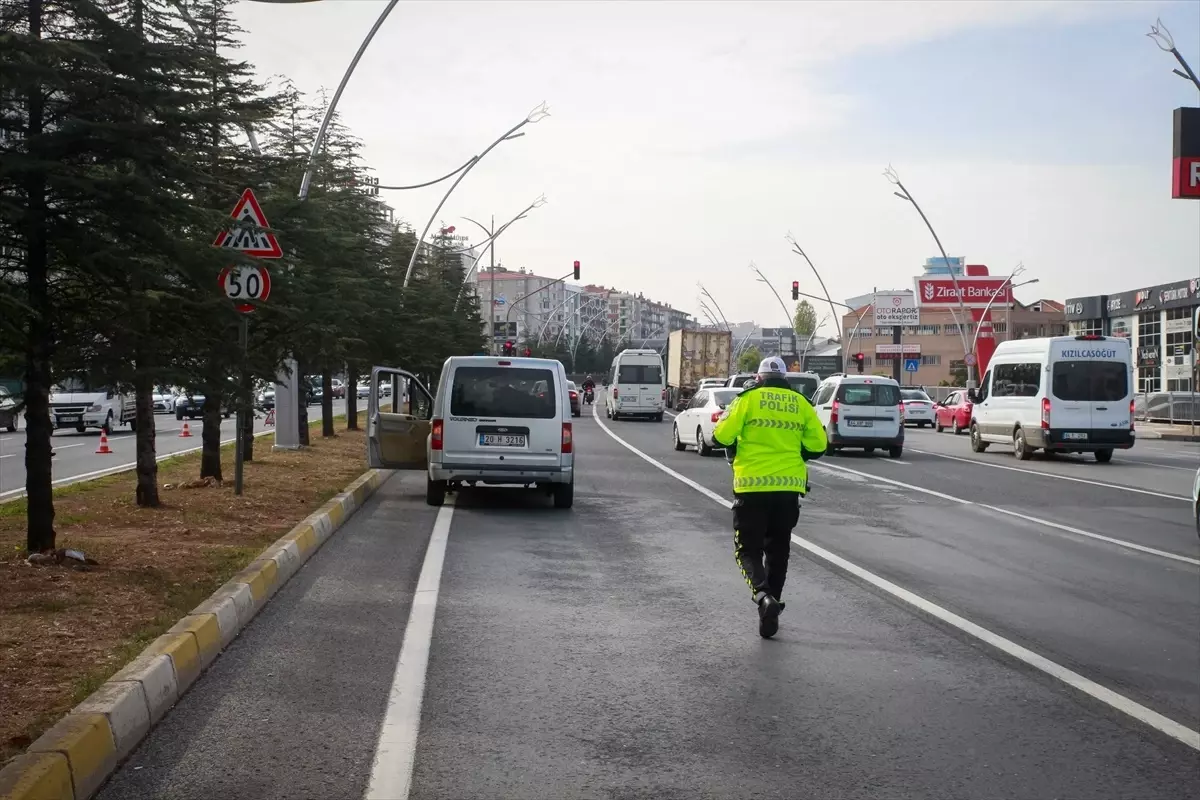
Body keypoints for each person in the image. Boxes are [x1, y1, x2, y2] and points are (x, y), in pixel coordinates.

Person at [711, 356, 827, 639]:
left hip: (751, 488)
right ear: (785, 378)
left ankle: (764, 598)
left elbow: (721, 437)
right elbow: (819, 445)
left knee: (747, 551)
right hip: (788, 489)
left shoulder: (746, 399)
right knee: (778, 552)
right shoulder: (800, 403)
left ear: (758, 377)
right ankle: (771, 606)